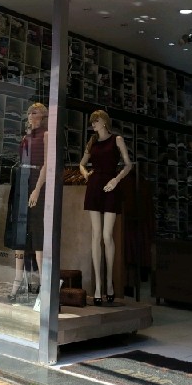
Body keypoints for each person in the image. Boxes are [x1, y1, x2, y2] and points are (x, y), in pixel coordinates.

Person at [79, 110, 132, 305]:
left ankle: (109, 282)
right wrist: (85, 174)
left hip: (111, 186)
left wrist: (116, 180)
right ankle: (98, 286)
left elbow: (128, 165)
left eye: (96, 121)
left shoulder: (117, 139)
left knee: (107, 236)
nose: (93, 124)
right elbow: (82, 164)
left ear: (104, 122)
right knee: (96, 235)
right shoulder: (92, 141)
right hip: (94, 186)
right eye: (92, 121)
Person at [4, 103, 48, 302]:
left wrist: (37, 189)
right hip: (23, 181)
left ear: (43, 115)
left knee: (37, 231)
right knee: (20, 230)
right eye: (29, 112)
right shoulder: (26, 137)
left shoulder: (46, 135)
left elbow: (47, 164)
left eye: (34, 112)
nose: (30, 115)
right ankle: (17, 279)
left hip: (36, 181)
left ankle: (43, 282)